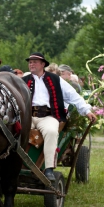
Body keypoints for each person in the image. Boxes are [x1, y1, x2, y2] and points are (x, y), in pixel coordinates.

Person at [22, 52, 97, 182]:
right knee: (14, 130)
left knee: (51, 131)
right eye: (30, 62)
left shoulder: (56, 79)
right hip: (27, 115)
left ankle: (49, 169)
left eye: (34, 61)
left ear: (43, 64)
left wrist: (87, 111)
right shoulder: (23, 79)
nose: (31, 64)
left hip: (48, 116)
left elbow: (73, 96)